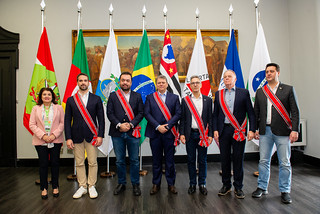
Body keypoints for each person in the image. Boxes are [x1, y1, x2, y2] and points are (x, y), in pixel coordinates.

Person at [252, 63, 300, 204]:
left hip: (283, 132)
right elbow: (256, 113)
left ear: (278, 72)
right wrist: (254, 129)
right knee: (263, 161)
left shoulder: (288, 90)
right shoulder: (261, 91)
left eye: (271, 71)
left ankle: (285, 190)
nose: (268, 74)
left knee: (284, 162)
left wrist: (295, 130)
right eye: (267, 72)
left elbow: (295, 112)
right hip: (264, 131)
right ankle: (262, 187)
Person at [213, 70, 255, 199]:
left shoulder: (244, 93)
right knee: (224, 159)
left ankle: (238, 187)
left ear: (235, 79)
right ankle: (226, 185)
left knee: (238, 158)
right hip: (223, 131)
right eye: (224, 77)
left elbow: (251, 113)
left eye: (229, 76)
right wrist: (215, 129)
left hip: (239, 131)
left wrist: (252, 130)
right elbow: (215, 115)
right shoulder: (218, 94)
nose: (226, 79)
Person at [65, 73, 105, 199]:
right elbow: (67, 120)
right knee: (80, 162)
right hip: (76, 136)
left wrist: (100, 135)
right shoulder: (71, 100)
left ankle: (91, 185)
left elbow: (101, 119)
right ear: (77, 83)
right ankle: (82, 186)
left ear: (89, 83)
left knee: (93, 162)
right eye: (80, 81)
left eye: (85, 80)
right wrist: (68, 137)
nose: (83, 83)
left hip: (92, 136)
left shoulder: (96, 99)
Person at [107, 72, 144, 196]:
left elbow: (141, 113)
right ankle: (121, 183)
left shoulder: (137, 96)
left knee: (134, 160)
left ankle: (135, 184)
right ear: (119, 82)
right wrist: (119, 125)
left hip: (133, 132)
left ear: (131, 82)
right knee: (119, 160)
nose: (125, 82)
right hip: (117, 133)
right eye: (123, 80)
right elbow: (110, 113)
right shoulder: (113, 96)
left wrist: (131, 124)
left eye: (128, 80)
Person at [144, 75, 181, 195]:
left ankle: (171, 184)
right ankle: (156, 184)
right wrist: (158, 126)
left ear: (166, 84)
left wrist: (168, 126)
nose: (161, 84)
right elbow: (147, 113)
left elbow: (178, 114)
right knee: (156, 160)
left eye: (163, 83)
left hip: (169, 134)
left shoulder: (174, 97)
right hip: (155, 133)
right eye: (159, 83)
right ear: (156, 84)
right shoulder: (150, 97)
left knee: (170, 160)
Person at [180, 75, 213, 195]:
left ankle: (202, 184)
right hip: (190, 134)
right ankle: (192, 184)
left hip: (203, 136)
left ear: (201, 84)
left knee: (203, 160)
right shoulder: (185, 101)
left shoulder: (208, 100)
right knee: (190, 160)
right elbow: (182, 119)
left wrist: (210, 135)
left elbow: (210, 118)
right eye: (192, 83)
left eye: (197, 83)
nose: (195, 85)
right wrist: (182, 133)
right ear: (189, 85)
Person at [29, 87, 64, 199]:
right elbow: (32, 125)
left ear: (53, 96)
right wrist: (43, 136)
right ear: (41, 97)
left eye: (49, 94)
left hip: (56, 140)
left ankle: (55, 187)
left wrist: (53, 135)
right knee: (43, 164)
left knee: (55, 163)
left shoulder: (58, 108)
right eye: (44, 94)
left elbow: (62, 123)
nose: (47, 96)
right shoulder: (35, 108)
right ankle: (43, 188)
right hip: (40, 141)